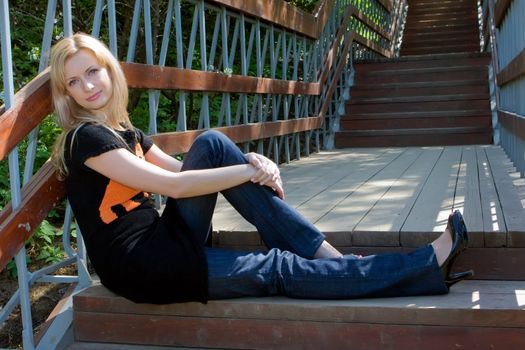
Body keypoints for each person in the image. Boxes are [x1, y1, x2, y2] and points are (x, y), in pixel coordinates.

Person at [49, 33, 473, 304]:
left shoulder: (125, 131)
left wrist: (252, 161)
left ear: (110, 70)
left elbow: (184, 173)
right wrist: (250, 171)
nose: (88, 85)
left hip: (166, 241)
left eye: (93, 71)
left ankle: (327, 256)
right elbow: (171, 189)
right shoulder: (85, 139)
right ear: (64, 92)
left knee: (212, 143)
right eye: (74, 81)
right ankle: (418, 266)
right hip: (146, 269)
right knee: (275, 268)